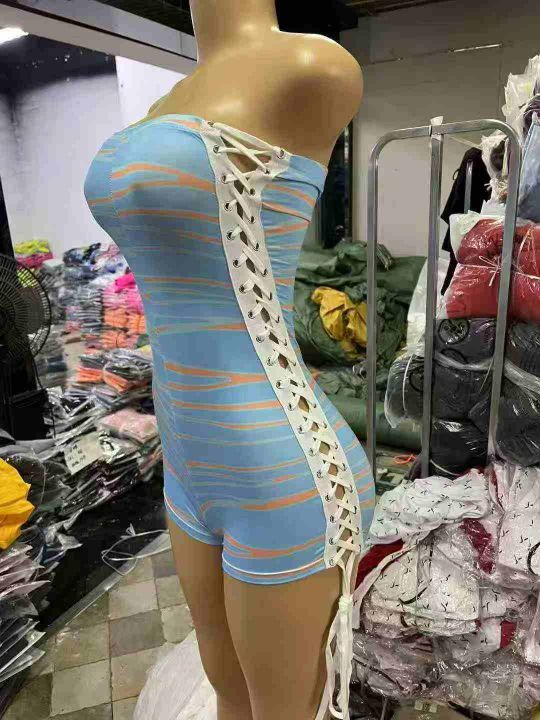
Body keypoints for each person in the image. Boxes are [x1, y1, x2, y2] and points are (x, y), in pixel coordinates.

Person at [85, 2, 375, 717]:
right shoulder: (168, 101)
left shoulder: (309, 67)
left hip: (280, 467)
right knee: (224, 687)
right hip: (187, 463)